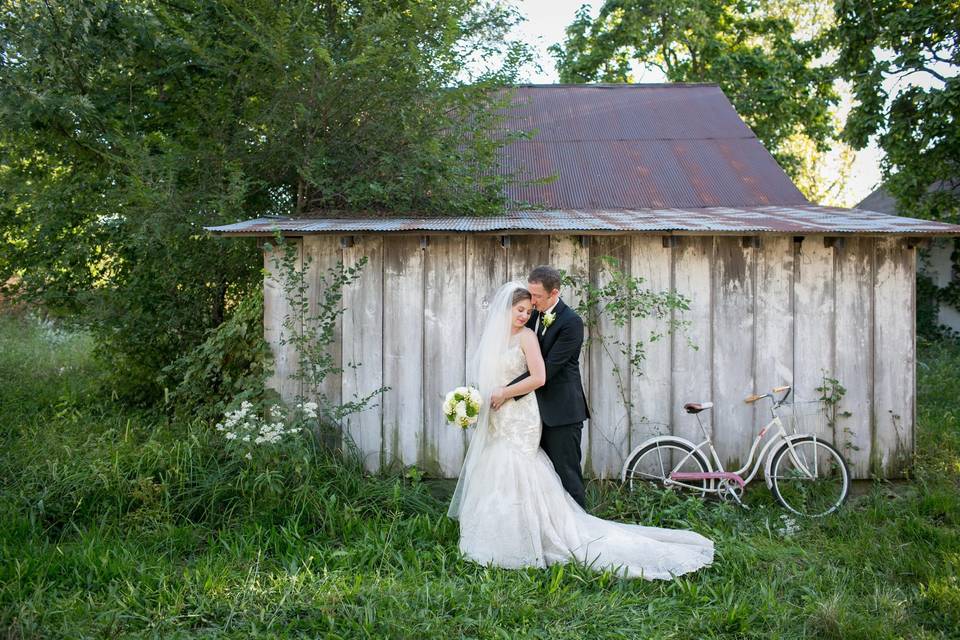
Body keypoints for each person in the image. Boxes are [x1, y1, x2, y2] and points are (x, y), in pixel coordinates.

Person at [447, 280, 714, 580]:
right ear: (506, 309)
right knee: (497, 469)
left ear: (553, 293)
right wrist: (474, 402)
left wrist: (503, 394)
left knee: (525, 467)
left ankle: (554, 533)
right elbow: (489, 377)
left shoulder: (542, 331)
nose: (526, 313)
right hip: (500, 412)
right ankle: (498, 534)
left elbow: (540, 375)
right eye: (520, 309)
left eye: (529, 307)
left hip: (524, 413)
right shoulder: (504, 333)